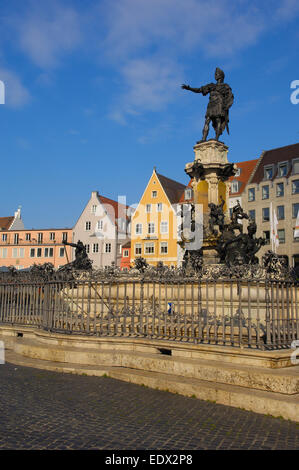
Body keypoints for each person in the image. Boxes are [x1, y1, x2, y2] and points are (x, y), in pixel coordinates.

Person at [182, 67, 234, 141]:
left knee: (218, 119)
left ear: (221, 76)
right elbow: (200, 90)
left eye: (217, 74)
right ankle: (203, 138)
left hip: (219, 104)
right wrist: (189, 88)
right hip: (211, 104)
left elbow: (230, 97)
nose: (215, 75)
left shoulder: (225, 86)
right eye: (215, 74)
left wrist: (226, 106)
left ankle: (216, 138)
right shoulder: (212, 85)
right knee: (207, 120)